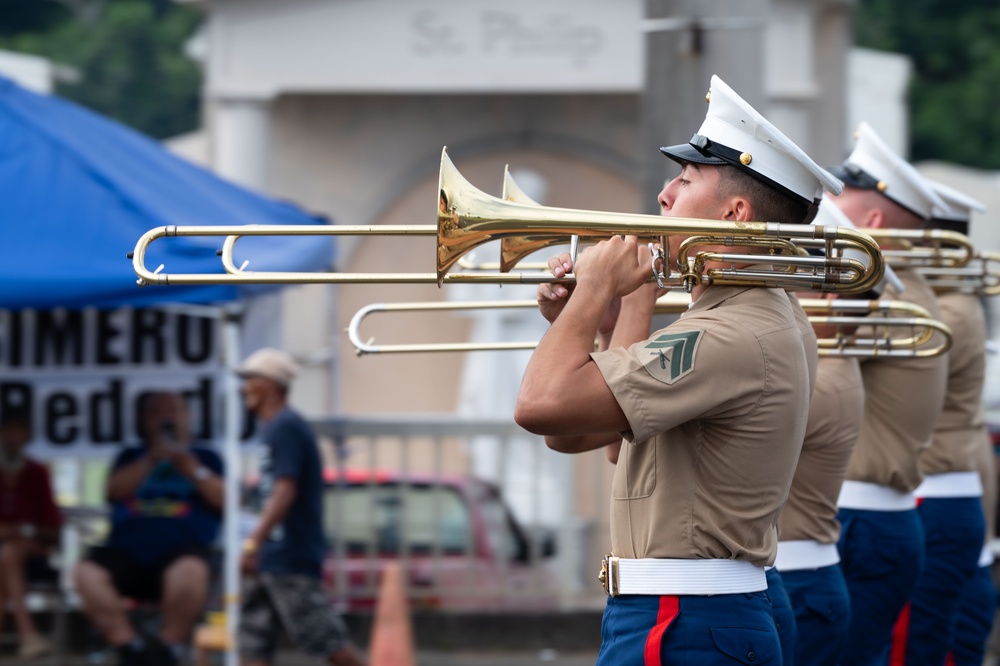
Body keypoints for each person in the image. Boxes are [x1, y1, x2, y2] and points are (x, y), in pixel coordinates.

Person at [516, 74, 843, 664]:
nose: (664, 195)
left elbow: (538, 407)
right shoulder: (753, 315)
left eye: (686, 180)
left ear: (736, 213)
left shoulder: (730, 333)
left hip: (683, 620)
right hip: (688, 614)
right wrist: (604, 320)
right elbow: (585, 437)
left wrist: (591, 291)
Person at [826, 121, 950, 666]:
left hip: (861, 524)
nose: (825, 203)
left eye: (839, 197)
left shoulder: (883, 301)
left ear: (872, 220)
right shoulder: (896, 293)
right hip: (869, 521)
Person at [888, 181, 991, 666]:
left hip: (937, 492)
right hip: (942, 490)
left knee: (917, 646)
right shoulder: (952, 302)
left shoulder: (942, 309)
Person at [235, 347, 367, 666]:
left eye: (249, 380)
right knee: (252, 641)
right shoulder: (277, 427)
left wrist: (254, 542)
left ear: (268, 384)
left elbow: (284, 490)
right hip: (274, 557)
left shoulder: (286, 427)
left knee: (324, 638)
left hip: (289, 557)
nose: (243, 388)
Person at [74, 391, 224, 666]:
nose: (165, 416)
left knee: (191, 570)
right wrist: (150, 459)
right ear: (144, 421)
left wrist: (192, 468)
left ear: (187, 417)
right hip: (126, 551)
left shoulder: (206, 457)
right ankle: (129, 647)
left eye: (173, 410)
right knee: (85, 572)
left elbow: (226, 500)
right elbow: (112, 491)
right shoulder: (130, 456)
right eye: (156, 412)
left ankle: (168, 649)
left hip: (182, 551)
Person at [0, 407, 62, 660]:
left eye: (18, 431)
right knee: (5, 556)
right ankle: (29, 636)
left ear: (26, 435)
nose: (13, 437)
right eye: (8, 431)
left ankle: (28, 635)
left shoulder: (37, 472)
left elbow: (52, 528)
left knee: (9, 552)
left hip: (32, 555)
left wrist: (22, 530)